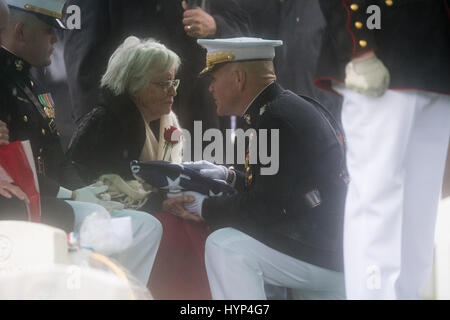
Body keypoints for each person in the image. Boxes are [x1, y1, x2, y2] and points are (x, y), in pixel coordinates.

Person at [167, 37, 348, 299]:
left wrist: (204, 207)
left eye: (214, 79)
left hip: (322, 254)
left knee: (226, 246)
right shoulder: (282, 108)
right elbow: (281, 188)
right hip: (327, 247)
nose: (211, 89)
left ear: (239, 78)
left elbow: (266, 208)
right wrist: (229, 176)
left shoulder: (274, 119)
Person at [0, 0, 162, 286]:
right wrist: (71, 195)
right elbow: (12, 170)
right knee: (95, 218)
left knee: (146, 227)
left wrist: (84, 189)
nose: (56, 39)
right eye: (49, 30)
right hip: (17, 204)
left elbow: (55, 157)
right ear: (21, 32)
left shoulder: (33, 82)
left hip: (49, 195)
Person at [315, 0, 450, 299]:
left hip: (437, 61)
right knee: (376, 200)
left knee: (421, 210)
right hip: (382, 51)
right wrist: (357, 45)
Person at [67, 36, 212, 300]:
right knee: (176, 228)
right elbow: (105, 187)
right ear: (136, 87)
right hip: (96, 221)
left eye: (173, 81)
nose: (173, 91)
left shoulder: (166, 121)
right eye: (163, 84)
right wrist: (163, 200)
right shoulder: (106, 122)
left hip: (141, 210)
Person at [62, 0, 250, 146]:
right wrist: (94, 125)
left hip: (198, 120)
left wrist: (215, 25)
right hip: (129, 121)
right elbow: (84, 56)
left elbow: (242, 26)